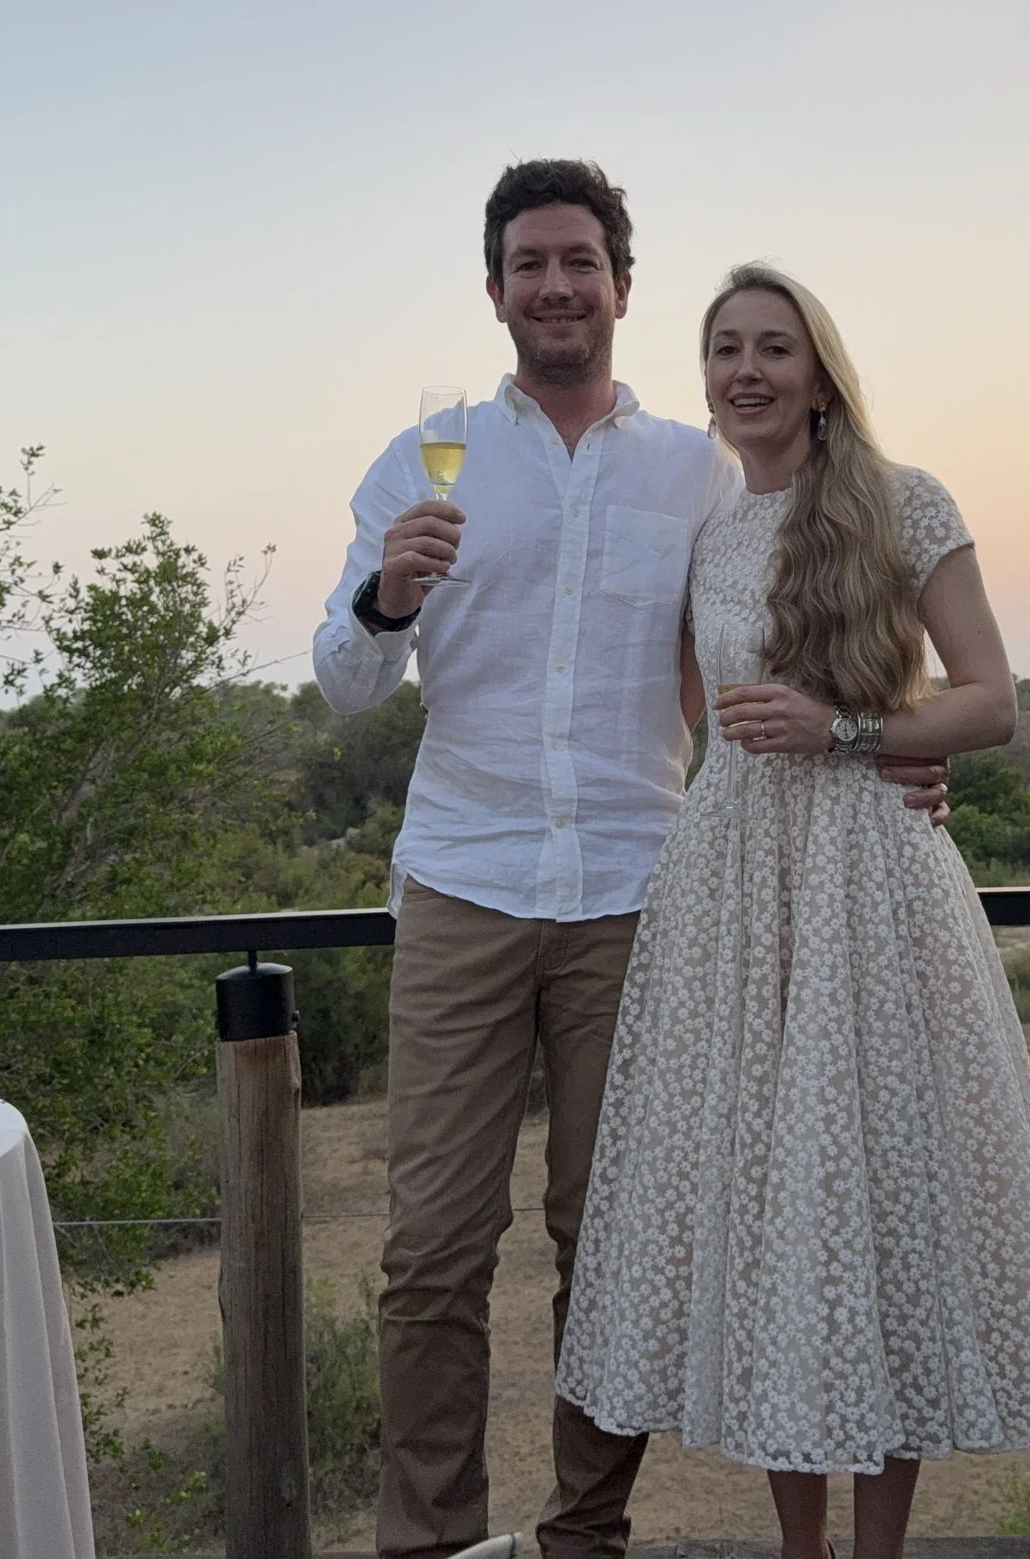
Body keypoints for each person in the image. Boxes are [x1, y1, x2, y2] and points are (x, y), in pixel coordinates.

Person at [312, 167, 949, 1559]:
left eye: (579, 261)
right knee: (430, 1253)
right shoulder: (424, 459)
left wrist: (899, 744)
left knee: (614, 1244)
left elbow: (773, 658)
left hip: (647, 899)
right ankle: (432, 1541)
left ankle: (581, 1538)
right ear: (495, 290)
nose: (554, 285)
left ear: (619, 288)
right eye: (529, 262)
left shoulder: (696, 473)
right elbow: (346, 687)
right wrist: (386, 594)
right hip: (465, 886)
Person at [555, 264, 1030, 1559]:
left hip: (869, 882)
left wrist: (853, 731)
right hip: (736, 895)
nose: (746, 369)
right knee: (772, 1223)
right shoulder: (707, 526)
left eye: (773, 347)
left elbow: (992, 698)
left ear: (818, 372)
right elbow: (692, 709)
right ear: (704, 376)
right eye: (726, 349)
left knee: (881, 1209)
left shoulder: (905, 503)